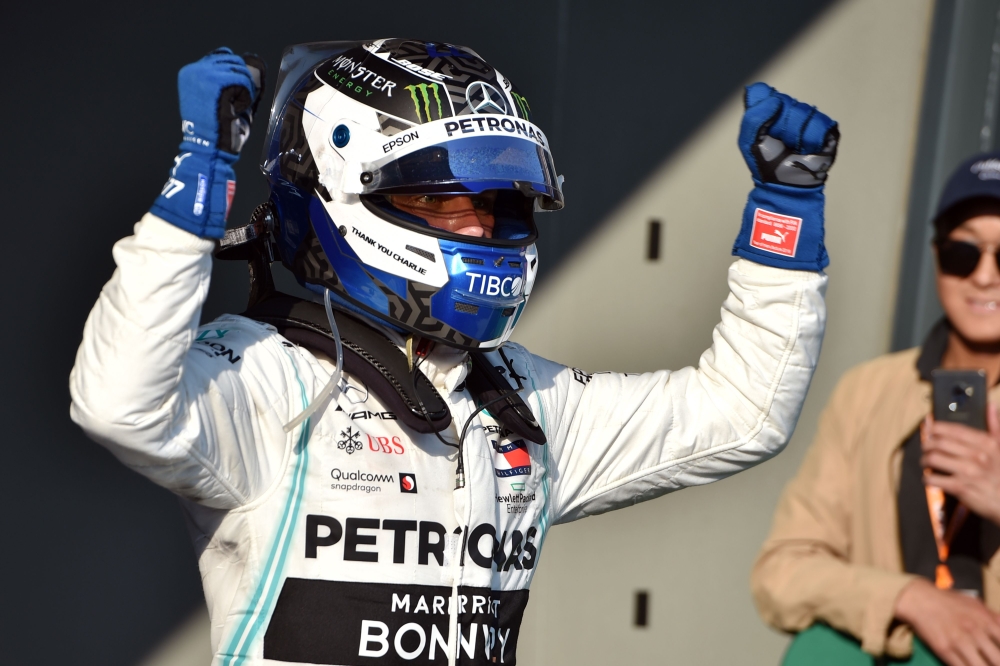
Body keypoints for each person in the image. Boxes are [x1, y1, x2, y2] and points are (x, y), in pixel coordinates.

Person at [70, 40, 837, 666]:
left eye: (498, 203)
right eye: (439, 199)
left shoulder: (522, 403)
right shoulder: (269, 374)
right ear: (337, 193)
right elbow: (119, 404)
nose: (477, 229)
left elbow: (744, 413)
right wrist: (190, 196)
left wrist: (786, 215)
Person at [752, 152, 1000, 666]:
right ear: (936, 258)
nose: (984, 277)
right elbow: (781, 573)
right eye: (963, 253)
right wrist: (907, 597)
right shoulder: (870, 390)